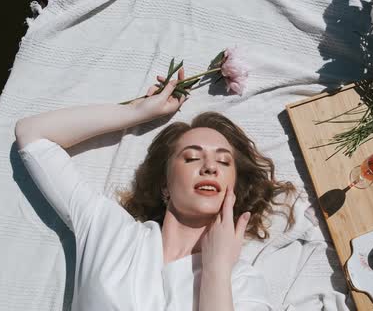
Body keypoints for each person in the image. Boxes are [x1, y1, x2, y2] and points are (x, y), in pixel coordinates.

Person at [15, 68, 295, 311]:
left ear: (232, 189)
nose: (210, 167)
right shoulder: (112, 232)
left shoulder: (241, 280)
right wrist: (137, 112)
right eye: (192, 158)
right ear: (165, 185)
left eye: (223, 162)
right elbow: (33, 135)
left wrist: (216, 271)